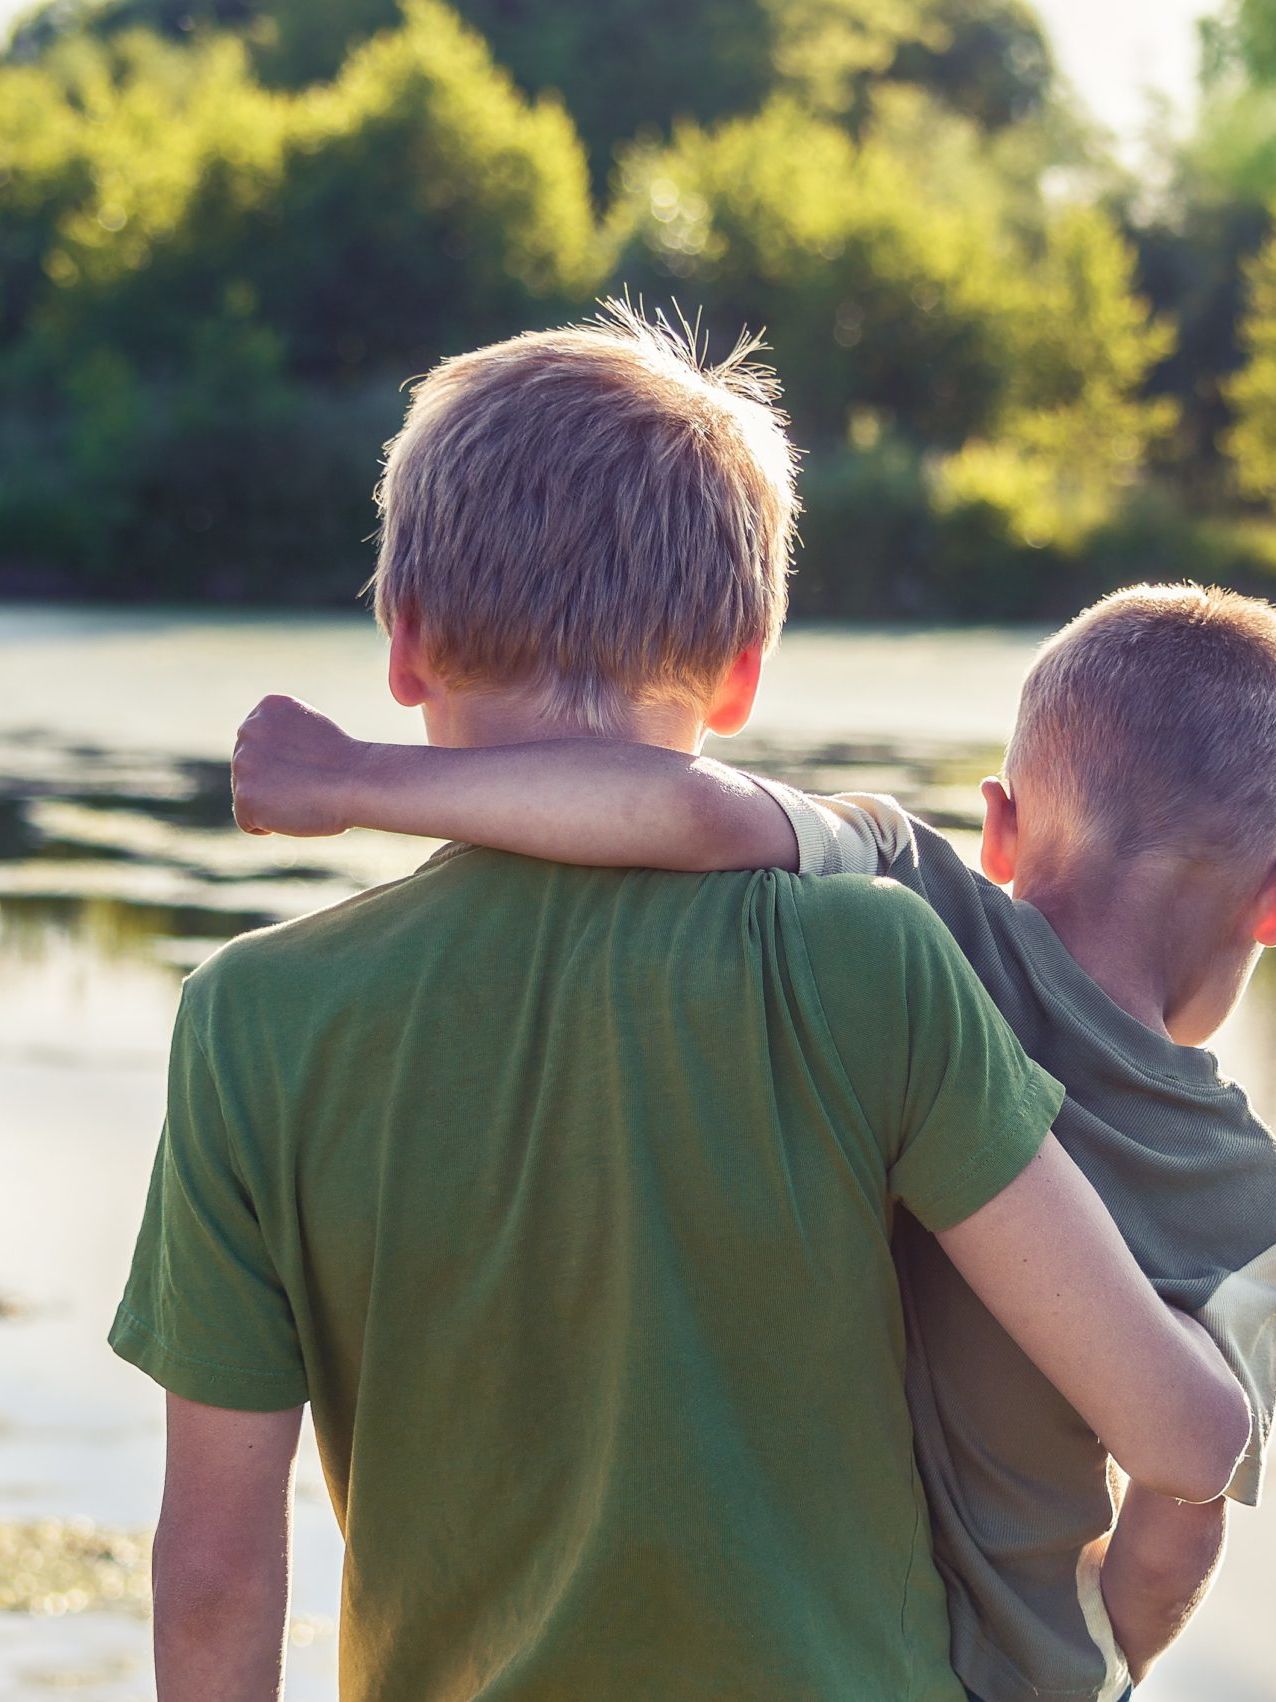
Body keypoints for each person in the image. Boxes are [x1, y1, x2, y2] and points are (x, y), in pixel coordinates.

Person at [114, 310, 1247, 1702]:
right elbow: (1180, 1433)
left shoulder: (250, 1020)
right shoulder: (875, 963)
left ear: (403, 645)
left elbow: (220, 1571)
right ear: (745, 668)